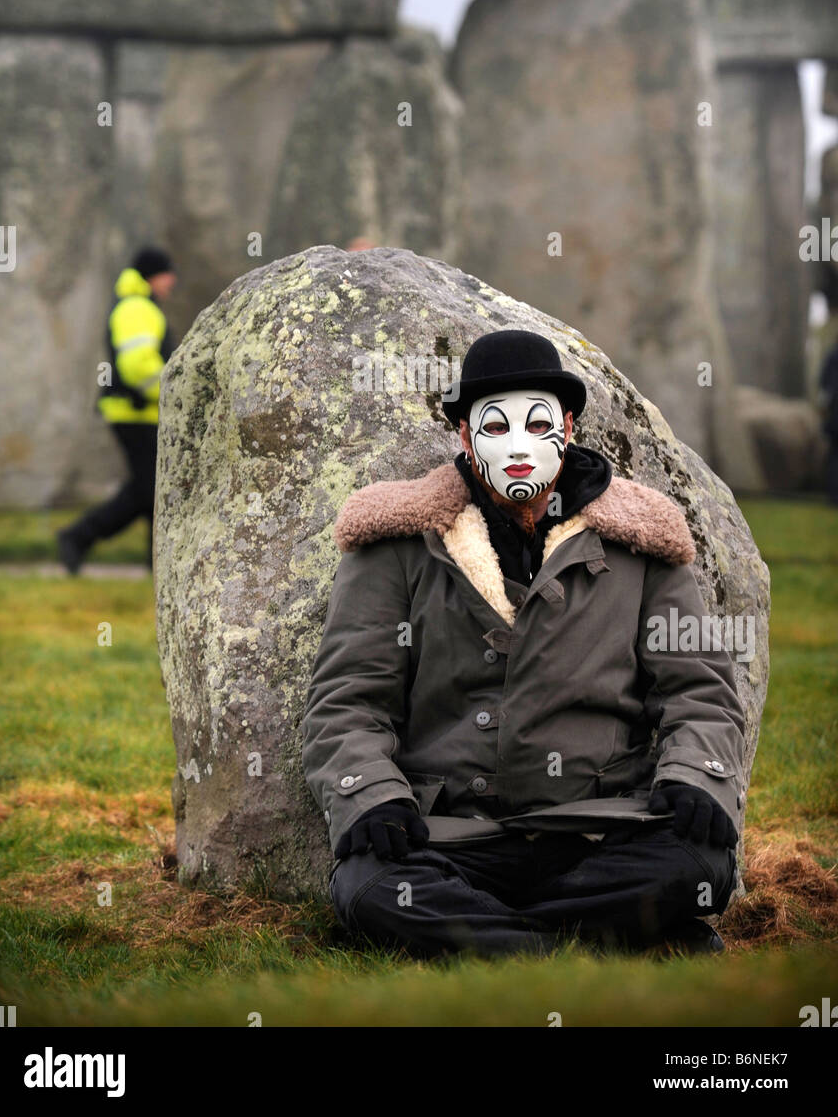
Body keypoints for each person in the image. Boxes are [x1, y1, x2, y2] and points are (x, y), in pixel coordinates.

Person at [302, 329, 746, 958]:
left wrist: (696, 777)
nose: (517, 446)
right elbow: (347, 700)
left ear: (568, 426)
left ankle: (502, 943)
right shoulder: (399, 545)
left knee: (698, 863)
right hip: (452, 840)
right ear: (463, 435)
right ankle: (596, 943)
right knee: (369, 885)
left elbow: (700, 691)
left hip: (603, 833)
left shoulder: (644, 544)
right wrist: (371, 796)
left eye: (538, 424)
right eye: (494, 426)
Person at [57, 247, 176, 573]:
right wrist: (171, 394)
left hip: (138, 412)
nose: (172, 281)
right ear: (153, 275)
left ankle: (85, 539)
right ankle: (79, 536)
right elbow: (138, 365)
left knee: (150, 489)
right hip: (135, 412)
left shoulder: (139, 305)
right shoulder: (138, 308)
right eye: (168, 274)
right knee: (152, 489)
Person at [819, 338, 838, 505]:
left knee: (834, 457)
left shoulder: (833, 355)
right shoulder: (833, 356)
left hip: (835, 415)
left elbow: (825, 386)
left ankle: (833, 495)